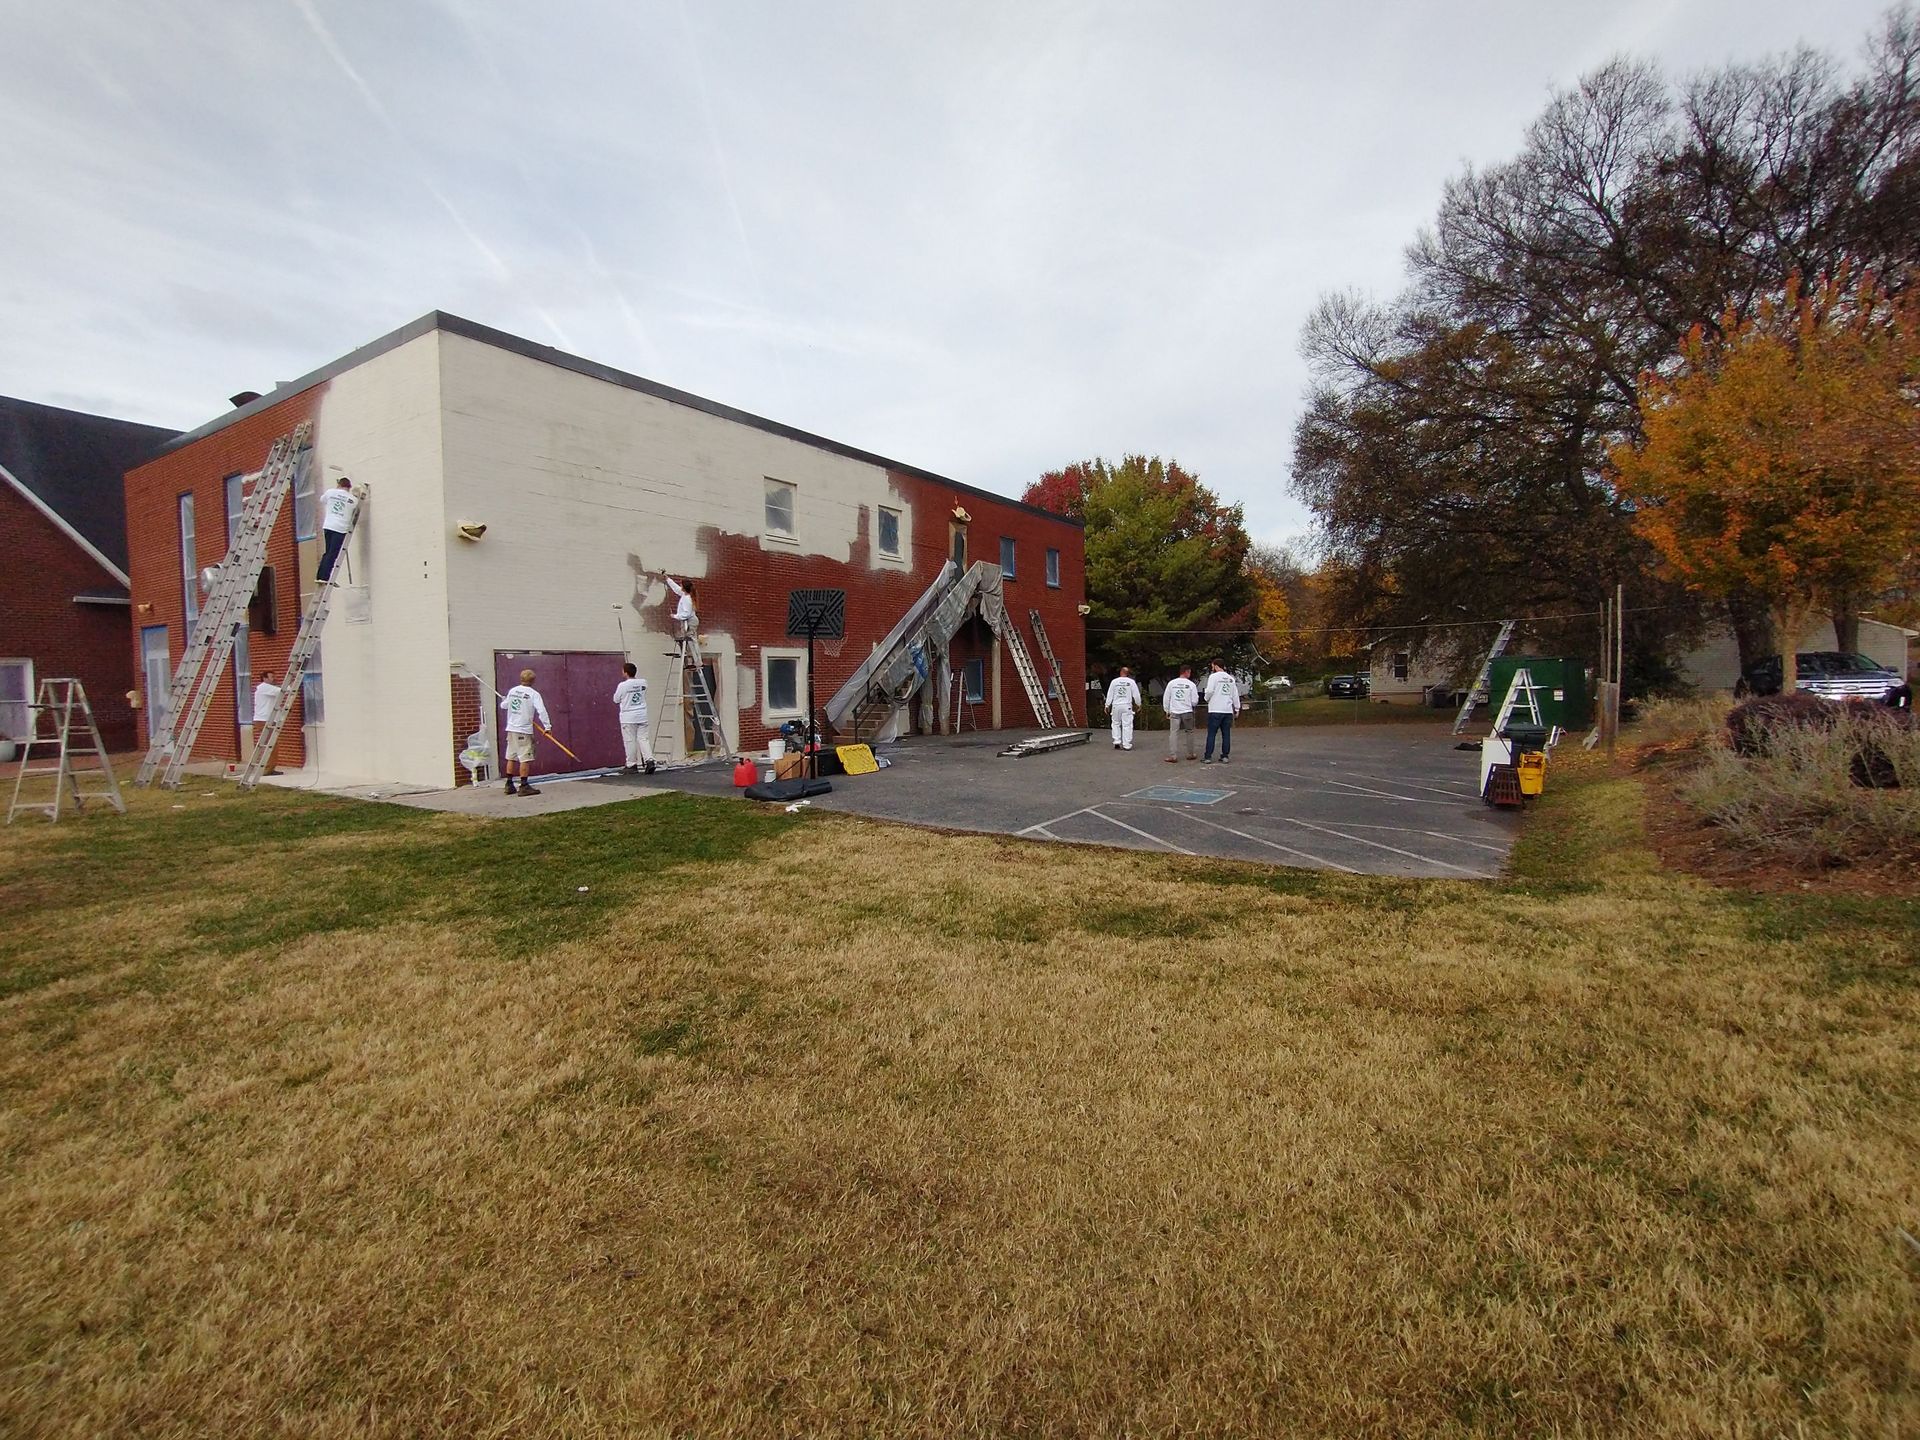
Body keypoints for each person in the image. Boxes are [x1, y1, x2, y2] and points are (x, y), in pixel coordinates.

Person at [499, 667, 550, 796]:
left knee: (511, 756)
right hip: (524, 730)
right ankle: (524, 786)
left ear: (521, 679)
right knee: (524, 758)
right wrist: (547, 727)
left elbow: (503, 706)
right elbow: (541, 711)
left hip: (511, 729)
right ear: (533, 681)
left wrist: (505, 699)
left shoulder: (513, 691)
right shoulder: (533, 694)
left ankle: (509, 784)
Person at [613, 662, 656, 775]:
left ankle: (632, 764)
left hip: (628, 717)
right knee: (643, 739)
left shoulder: (622, 686)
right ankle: (649, 760)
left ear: (625, 672)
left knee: (630, 741)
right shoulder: (643, 682)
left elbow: (616, 699)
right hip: (642, 715)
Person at [316, 477, 358, 582]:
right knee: (333, 554)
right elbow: (355, 510)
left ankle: (321, 575)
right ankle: (325, 577)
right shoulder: (353, 499)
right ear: (349, 487)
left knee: (328, 552)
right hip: (340, 529)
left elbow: (322, 499)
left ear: (339, 485)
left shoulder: (330, 492)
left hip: (328, 526)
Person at [1200, 658, 1241, 764]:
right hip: (1227, 710)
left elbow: (1209, 691)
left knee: (1212, 734)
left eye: (1212, 666)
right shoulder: (1230, 678)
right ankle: (1225, 756)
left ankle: (1208, 756)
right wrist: (1237, 708)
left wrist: (1206, 698)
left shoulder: (1213, 677)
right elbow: (1235, 694)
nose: (1212, 668)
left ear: (1216, 666)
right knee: (1226, 734)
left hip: (1215, 709)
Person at [1163, 664, 1200, 763]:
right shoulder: (1191, 684)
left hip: (1175, 711)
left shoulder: (1172, 683)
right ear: (1187, 672)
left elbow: (1166, 697)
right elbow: (1195, 701)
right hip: (1187, 711)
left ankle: (1173, 755)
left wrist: (1167, 709)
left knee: (1173, 733)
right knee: (1189, 731)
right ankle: (1190, 753)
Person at [1104, 666, 1142, 750]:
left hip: (1116, 706)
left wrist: (1107, 705)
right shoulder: (1131, 682)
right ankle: (1126, 744)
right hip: (1127, 706)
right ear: (1128, 674)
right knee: (1127, 725)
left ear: (1120, 672)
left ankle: (1117, 741)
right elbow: (1136, 694)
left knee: (1115, 723)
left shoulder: (1114, 682)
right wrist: (1138, 704)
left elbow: (1110, 694)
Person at [663, 575, 699, 641]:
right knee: (688, 641)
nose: (680, 586)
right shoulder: (685, 594)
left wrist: (675, 616)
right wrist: (668, 579)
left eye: (681, 585)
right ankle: (688, 651)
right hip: (688, 621)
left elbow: (686, 614)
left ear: (684, 587)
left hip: (689, 622)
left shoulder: (687, 599)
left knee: (690, 642)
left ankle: (692, 651)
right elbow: (676, 588)